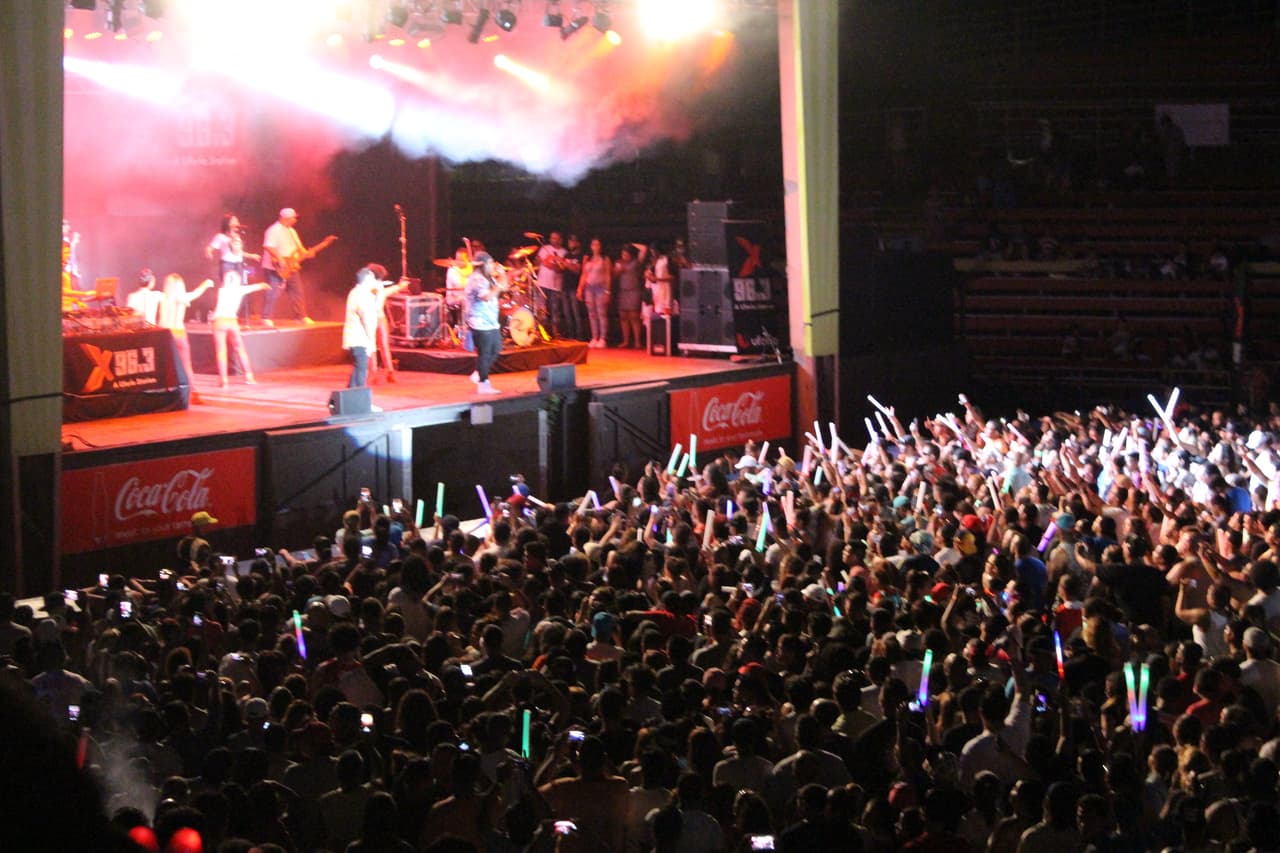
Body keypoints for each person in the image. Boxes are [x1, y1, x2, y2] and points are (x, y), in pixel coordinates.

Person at [157, 274, 214, 404]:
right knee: (186, 365)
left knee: (166, 365)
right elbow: (195, 293)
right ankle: (193, 393)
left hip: (166, 333)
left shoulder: (163, 298)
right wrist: (205, 284)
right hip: (179, 332)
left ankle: (168, 394)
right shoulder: (182, 298)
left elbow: (160, 321)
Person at [210, 269, 269, 388]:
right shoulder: (239, 290)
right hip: (232, 321)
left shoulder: (221, 291)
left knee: (221, 351)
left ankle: (224, 380)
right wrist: (264, 285)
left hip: (219, 320)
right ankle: (249, 376)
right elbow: (255, 287)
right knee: (240, 349)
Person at [261, 207, 316, 327]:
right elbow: (268, 246)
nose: (295, 220)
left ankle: (301, 316)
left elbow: (299, 247)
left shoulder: (292, 231)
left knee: (297, 291)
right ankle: (266, 317)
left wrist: (306, 253)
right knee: (273, 292)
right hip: (275, 267)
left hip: (291, 266)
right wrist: (280, 258)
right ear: (286, 218)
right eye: (293, 218)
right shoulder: (273, 230)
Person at [205, 213, 260, 322]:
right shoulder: (220, 237)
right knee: (226, 289)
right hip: (227, 264)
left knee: (238, 290)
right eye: (235, 221)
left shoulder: (237, 236)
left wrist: (252, 256)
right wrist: (209, 251)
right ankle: (215, 312)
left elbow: (239, 252)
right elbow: (210, 247)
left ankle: (230, 313)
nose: (238, 223)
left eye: (237, 221)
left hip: (238, 264)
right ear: (228, 223)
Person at [465, 252, 506, 396]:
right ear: (483, 265)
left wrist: (502, 275)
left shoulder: (487, 277)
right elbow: (487, 297)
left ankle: (479, 373)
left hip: (490, 321)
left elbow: (504, 288)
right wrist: (499, 283)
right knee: (485, 353)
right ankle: (483, 383)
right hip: (480, 322)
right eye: (490, 263)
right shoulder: (477, 279)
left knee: (497, 348)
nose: (492, 265)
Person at [343, 268, 383, 405]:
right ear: (367, 280)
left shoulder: (357, 292)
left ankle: (349, 400)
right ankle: (361, 402)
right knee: (362, 369)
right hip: (360, 339)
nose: (375, 282)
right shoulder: (362, 295)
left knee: (358, 368)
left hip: (356, 338)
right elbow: (368, 320)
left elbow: (375, 308)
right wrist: (371, 343)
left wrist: (379, 294)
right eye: (372, 279)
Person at [365, 263, 410, 384]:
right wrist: (399, 286)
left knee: (379, 346)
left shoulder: (373, 286)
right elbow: (383, 292)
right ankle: (378, 373)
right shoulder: (371, 286)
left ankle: (385, 372)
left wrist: (399, 286)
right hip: (374, 318)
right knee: (377, 346)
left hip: (376, 318)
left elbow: (383, 292)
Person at [578, 237, 612, 349]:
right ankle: (594, 337)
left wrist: (607, 291)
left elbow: (608, 275)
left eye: (597, 244)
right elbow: (584, 274)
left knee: (601, 313)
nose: (595, 247)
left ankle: (603, 338)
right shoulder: (587, 259)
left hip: (600, 288)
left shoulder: (605, 259)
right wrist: (580, 288)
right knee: (591, 314)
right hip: (589, 288)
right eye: (593, 244)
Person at [614, 242, 647, 349]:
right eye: (623, 254)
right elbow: (613, 275)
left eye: (626, 254)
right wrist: (617, 270)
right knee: (623, 316)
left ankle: (637, 341)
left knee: (634, 317)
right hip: (623, 292)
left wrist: (631, 244)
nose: (624, 256)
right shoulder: (619, 263)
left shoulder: (636, 262)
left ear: (630, 254)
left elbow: (644, 249)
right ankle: (625, 341)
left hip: (634, 291)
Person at [535, 230, 567, 337]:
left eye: (555, 238)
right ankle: (541, 332)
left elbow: (560, 268)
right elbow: (537, 262)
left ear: (560, 239)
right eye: (552, 237)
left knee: (555, 310)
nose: (553, 240)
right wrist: (542, 261)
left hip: (555, 285)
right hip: (543, 283)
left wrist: (554, 263)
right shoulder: (545, 249)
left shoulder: (563, 252)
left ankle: (555, 332)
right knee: (541, 309)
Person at [562, 234, 585, 341]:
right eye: (569, 241)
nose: (570, 243)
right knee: (567, 313)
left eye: (573, 241)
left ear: (578, 243)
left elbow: (577, 270)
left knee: (576, 313)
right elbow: (561, 267)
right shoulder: (566, 255)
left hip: (574, 287)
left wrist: (567, 264)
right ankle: (571, 335)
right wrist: (558, 262)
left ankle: (579, 336)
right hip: (565, 287)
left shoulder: (581, 256)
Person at [646, 242, 675, 317]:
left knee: (666, 314)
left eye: (655, 251)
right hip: (655, 290)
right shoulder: (652, 261)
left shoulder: (666, 259)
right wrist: (648, 275)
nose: (653, 253)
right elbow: (649, 274)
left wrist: (658, 279)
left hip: (665, 289)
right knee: (656, 313)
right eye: (651, 251)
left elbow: (673, 276)